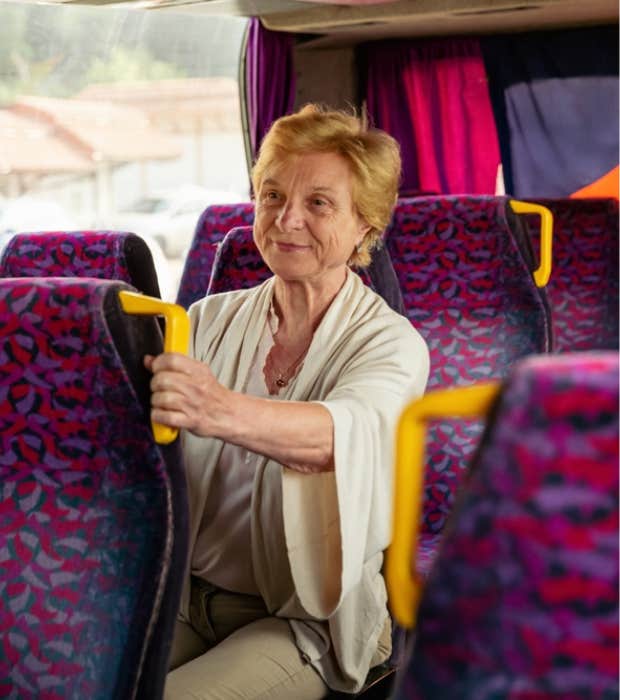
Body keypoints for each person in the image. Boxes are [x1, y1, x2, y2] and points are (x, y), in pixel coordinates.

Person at [145, 103, 430, 699]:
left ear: (365, 227)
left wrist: (213, 408)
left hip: (308, 619)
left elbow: (339, 436)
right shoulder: (206, 319)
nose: (286, 219)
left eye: (319, 203)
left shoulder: (391, 343)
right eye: (271, 195)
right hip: (183, 596)